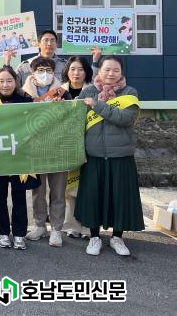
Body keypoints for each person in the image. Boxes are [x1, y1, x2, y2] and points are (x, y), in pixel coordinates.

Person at [76, 56, 143, 256]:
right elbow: (76, 122)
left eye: (115, 70)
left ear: (121, 72)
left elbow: (125, 119)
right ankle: (94, 237)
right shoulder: (88, 91)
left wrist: (97, 106)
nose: (111, 73)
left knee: (120, 198)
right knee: (93, 198)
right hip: (94, 155)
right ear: (99, 71)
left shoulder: (130, 93)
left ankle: (117, 238)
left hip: (120, 155)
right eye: (107, 69)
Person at [22, 56, 71, 247]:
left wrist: (62, 109)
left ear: (54, 72)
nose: (45, 74)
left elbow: (71, 118)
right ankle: (40, 225)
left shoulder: (63, 93)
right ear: (32, 73)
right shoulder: (24, 94)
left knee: (58, 192)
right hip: (35, 149)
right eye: (40, 70)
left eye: (48, 70)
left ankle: (57, 229)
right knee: (38, 191)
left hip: (58, 147)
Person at [0, 66, 35, 251]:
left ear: (16, 82)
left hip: (20, 156)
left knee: (19, 197)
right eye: (1, 81)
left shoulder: (26, 101)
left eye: (9, 81)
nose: (5, 85)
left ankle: (20, 234)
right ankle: (3, 233)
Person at [61, 56, 94, 240]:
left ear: (87, 72)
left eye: (81, 69)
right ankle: (71, 225)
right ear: (67, 71)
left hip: (90, 145)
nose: (76, 73)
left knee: (88, 188)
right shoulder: (59, 91)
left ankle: (88, 226)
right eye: (72, 69)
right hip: (67, 145)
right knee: (69, 188)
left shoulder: (94, 91)